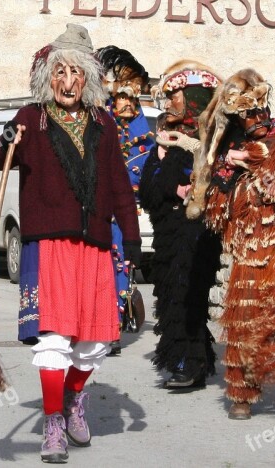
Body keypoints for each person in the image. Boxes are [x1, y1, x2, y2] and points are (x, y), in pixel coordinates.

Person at [0, 24, 141, 463]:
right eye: (60, 73)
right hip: (48, 243)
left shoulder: (104, 123)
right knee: (54, 337)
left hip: (93, 244)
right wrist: (7, 140)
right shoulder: (29, 119)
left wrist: (130, 238)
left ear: (88, 78)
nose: (68, 82)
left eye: (76, 73)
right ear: (47, 77)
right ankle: (53, 423)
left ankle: (74, 397)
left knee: (94, 342)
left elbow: (119, 187)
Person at [197, 69, 275, 423]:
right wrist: (217, 168)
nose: (249, 120)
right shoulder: (231, 149)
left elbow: (272, 155)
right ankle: (243, 395)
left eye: (252, 112)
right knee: (246, 320)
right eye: (241, 116)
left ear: (264, 106)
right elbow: (215, 204)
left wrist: (236, 159)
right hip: (250, 245)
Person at [139, 61, 223, 390]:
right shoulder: (165, 141)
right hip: (168, 236)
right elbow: (147, 192)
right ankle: (195, 359)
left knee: (187, 295)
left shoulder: (212, 143)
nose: (170, 102)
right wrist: (162, 166)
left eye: (176, 96)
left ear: (194, 100)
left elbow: (218, 185)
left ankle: (187, 363)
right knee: (173, 294)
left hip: (197, 235)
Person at [95, 45, 155, 355]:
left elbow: (141, 155)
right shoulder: (94, 109)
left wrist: (122, 184)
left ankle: (113, 328)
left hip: (118, 205)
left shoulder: (131, 114)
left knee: (118, 263)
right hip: (90, 203)